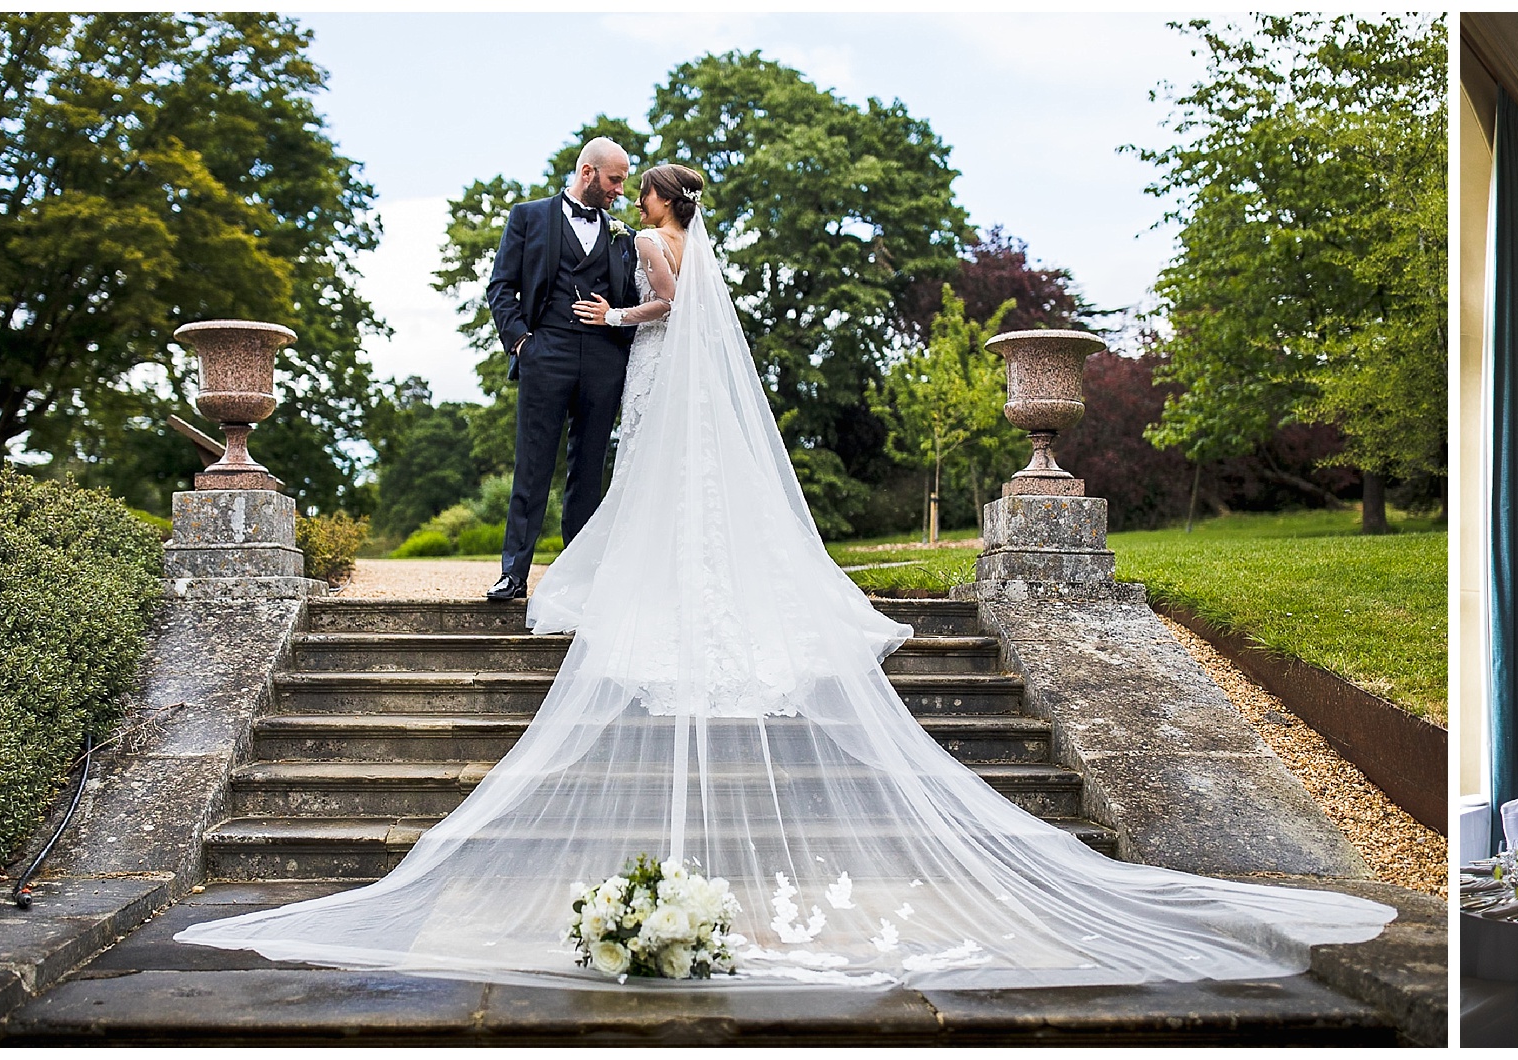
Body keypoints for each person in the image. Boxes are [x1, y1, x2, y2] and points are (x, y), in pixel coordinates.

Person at [177, 168, 1395, 988]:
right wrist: (615, 322)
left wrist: (601, 323)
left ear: (659, 202)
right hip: (672, 392)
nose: (640, 193)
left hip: (648, 378)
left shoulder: (659, 245)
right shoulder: (693, 248)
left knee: (653, 504)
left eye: (646, 187)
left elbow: (648, 315)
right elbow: (677, 313)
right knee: (680, 506)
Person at [481, 137, 648, 601]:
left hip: (603, 361)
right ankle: (514, 573)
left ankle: (577, 580)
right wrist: (520, 343)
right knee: (532, 466)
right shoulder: (528, 216)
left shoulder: (623, 235)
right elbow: (501, 286)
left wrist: (616, 326)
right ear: (589, 173)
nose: (620, 189)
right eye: (615, 179)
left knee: (588, 469)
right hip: (544, 353)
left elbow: (633, 300)